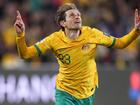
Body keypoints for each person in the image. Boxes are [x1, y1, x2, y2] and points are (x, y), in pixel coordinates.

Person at [14, 3, 140, 105]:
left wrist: (136, 31)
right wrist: (20, 36)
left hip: (87, 93)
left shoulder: (92, 34)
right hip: (65, 92)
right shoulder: (54, 40)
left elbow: (121, 43)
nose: (77, 17)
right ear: (63, 23)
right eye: (72, 15)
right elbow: (25, 54)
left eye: (78, 14)